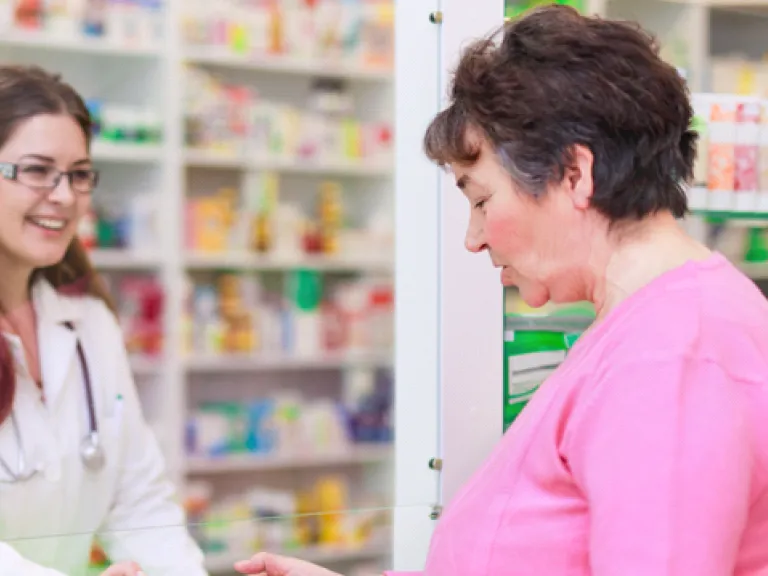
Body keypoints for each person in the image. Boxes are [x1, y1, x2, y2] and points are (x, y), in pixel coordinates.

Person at [234, 5, 768, 576]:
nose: (473, 238)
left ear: (573, 174)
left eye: (482, 200)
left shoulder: (670, 355)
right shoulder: (643, 326)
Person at [0, 65, 207, 576]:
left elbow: (140, 499)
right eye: (36, 169)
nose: (65, 196)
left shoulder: (90, 323)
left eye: (78, 173)